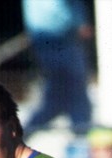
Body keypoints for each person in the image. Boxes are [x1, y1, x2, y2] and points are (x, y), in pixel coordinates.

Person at [21, 0, 93, 135]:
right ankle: (82, 137)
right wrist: (79, 23)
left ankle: (21, 137)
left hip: (51, 39)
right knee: (73, 94)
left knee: (60, 96)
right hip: (58, 38)